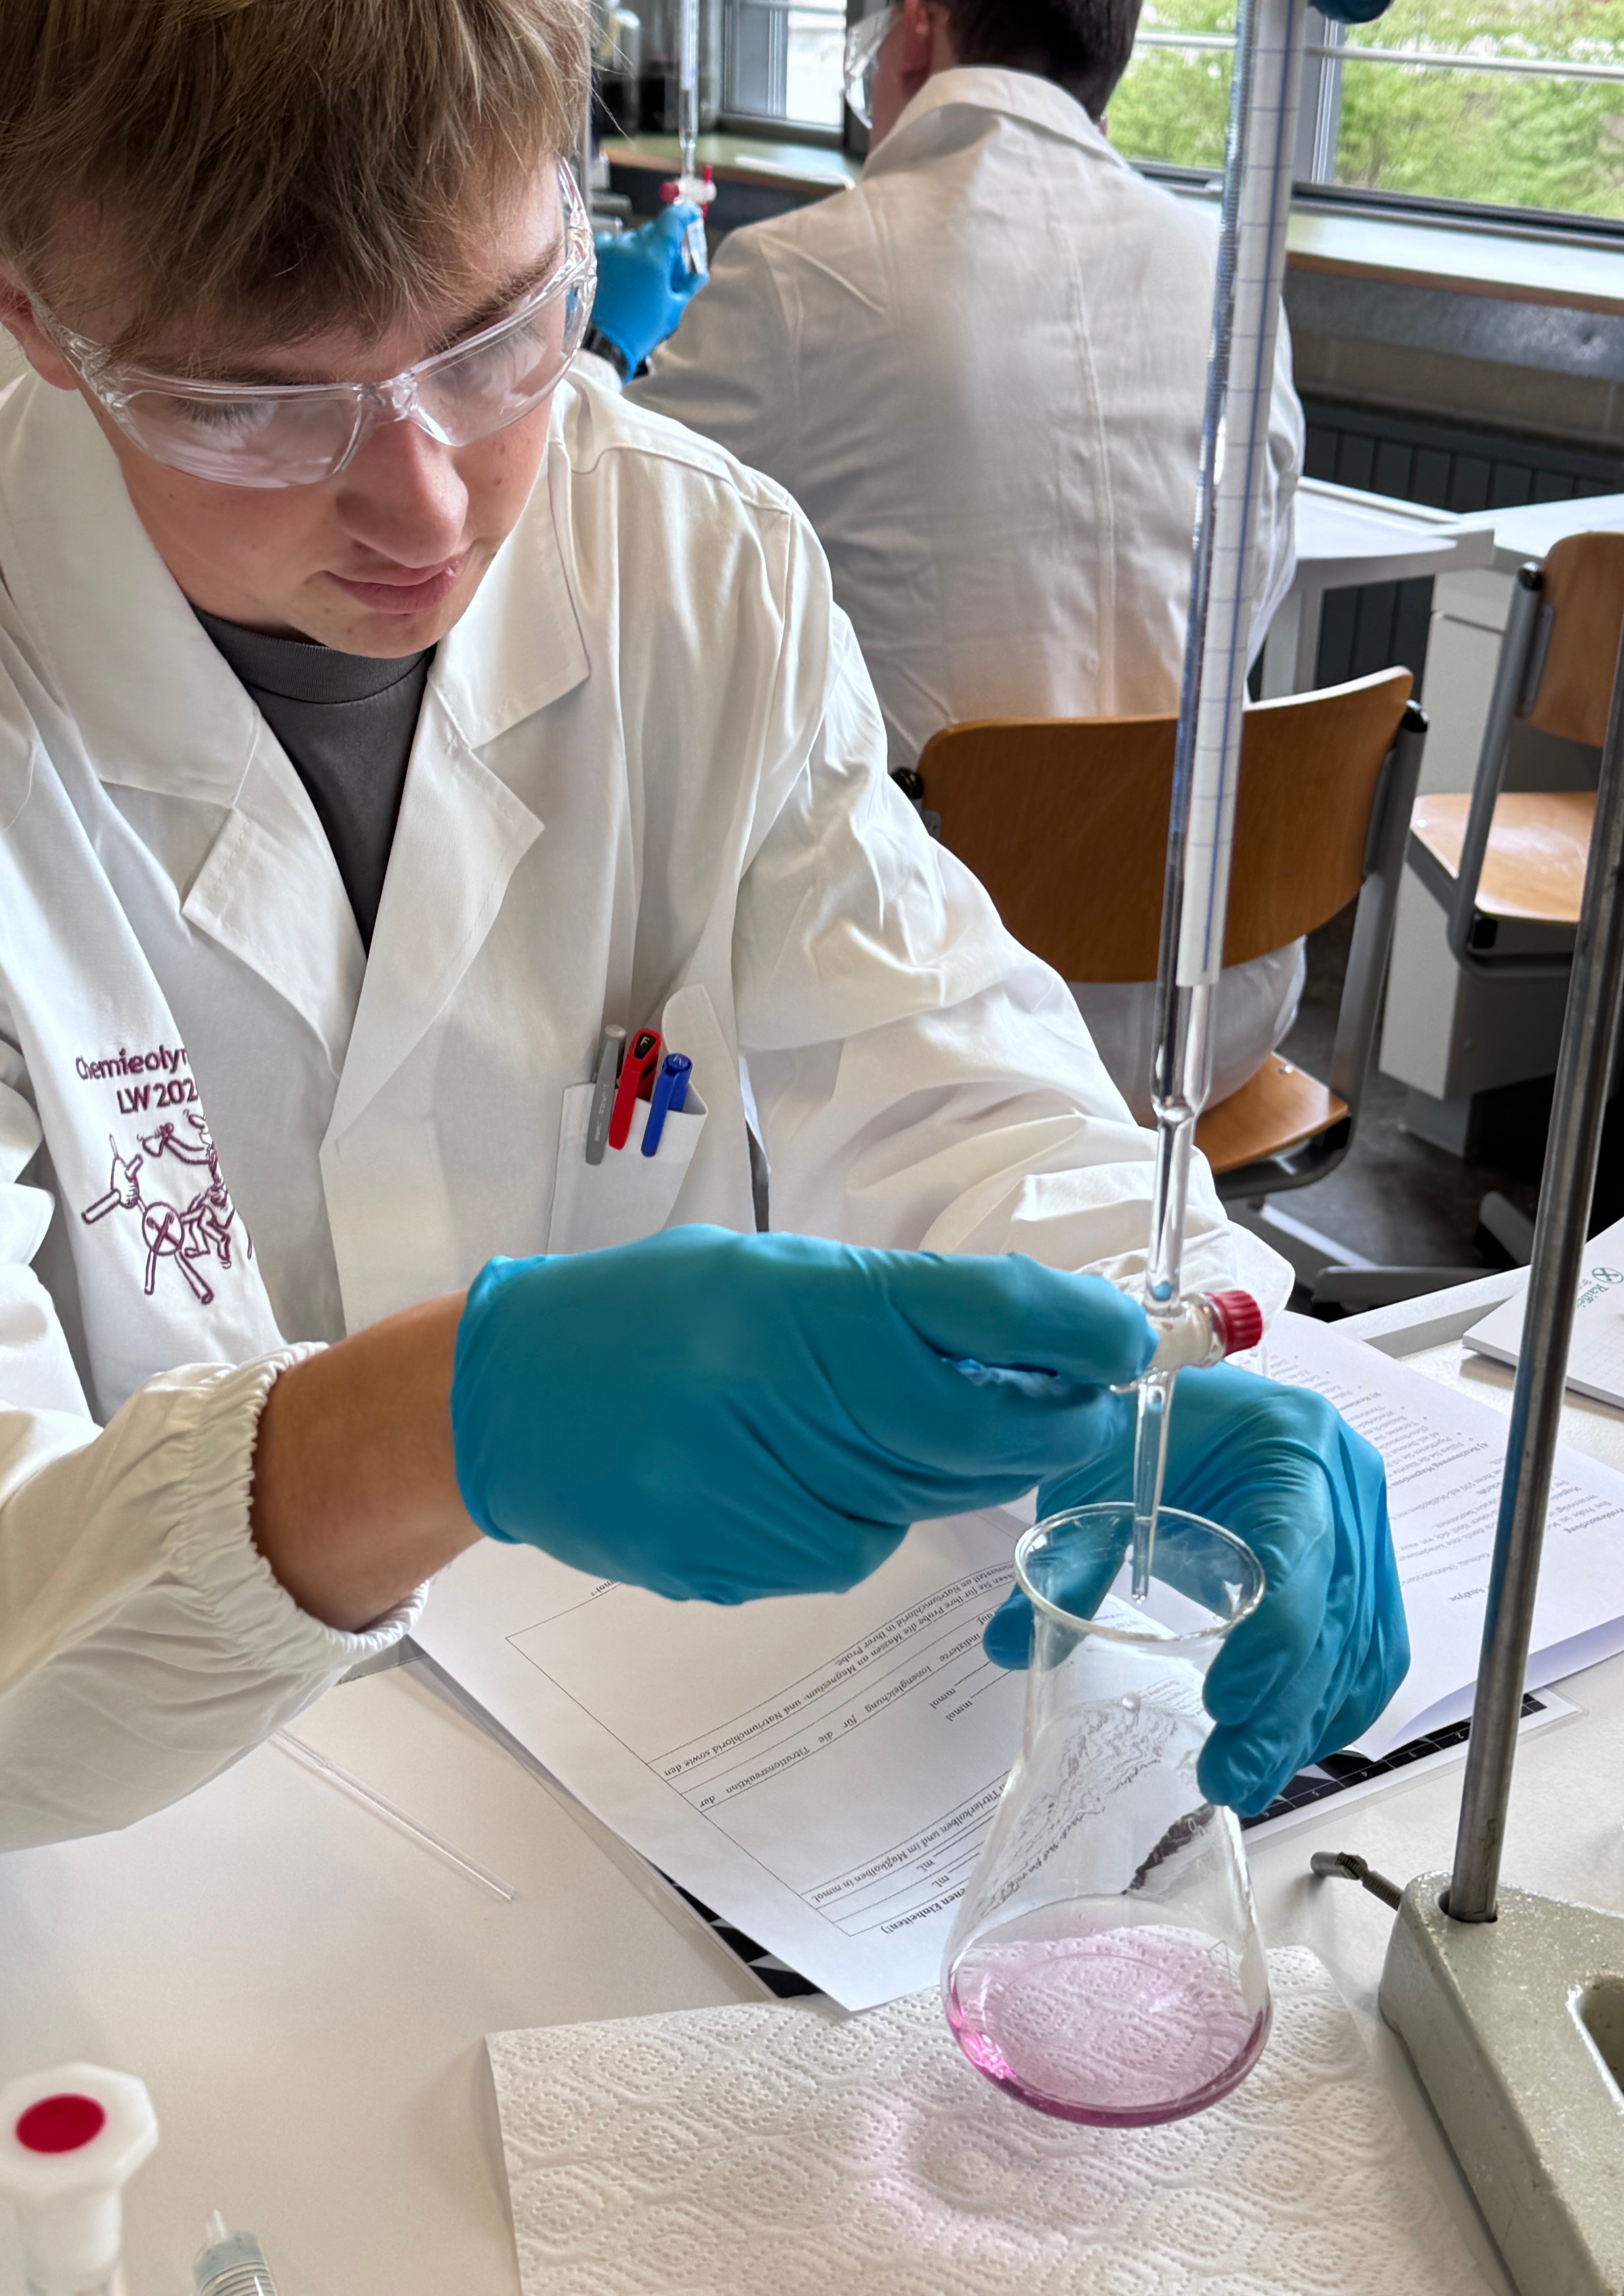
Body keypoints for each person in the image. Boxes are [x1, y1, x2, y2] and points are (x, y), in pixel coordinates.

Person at [0, 0, 1403, 1851]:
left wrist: (1165, 1360)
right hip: (134, 1853)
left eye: (501, 336)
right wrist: (417, 1435)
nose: (424, 504)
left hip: (629, 1782)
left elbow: (933, 1060)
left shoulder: (687, 557)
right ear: (38, 321)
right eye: (257, 407)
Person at [591, 0, 1309, 1111]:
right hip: (1215, 1003)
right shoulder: (1228, 277)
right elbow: (1250, 593)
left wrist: (598, 344)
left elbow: (596, 507)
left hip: (945, 1010)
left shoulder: (799, 272)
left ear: (916, 30)